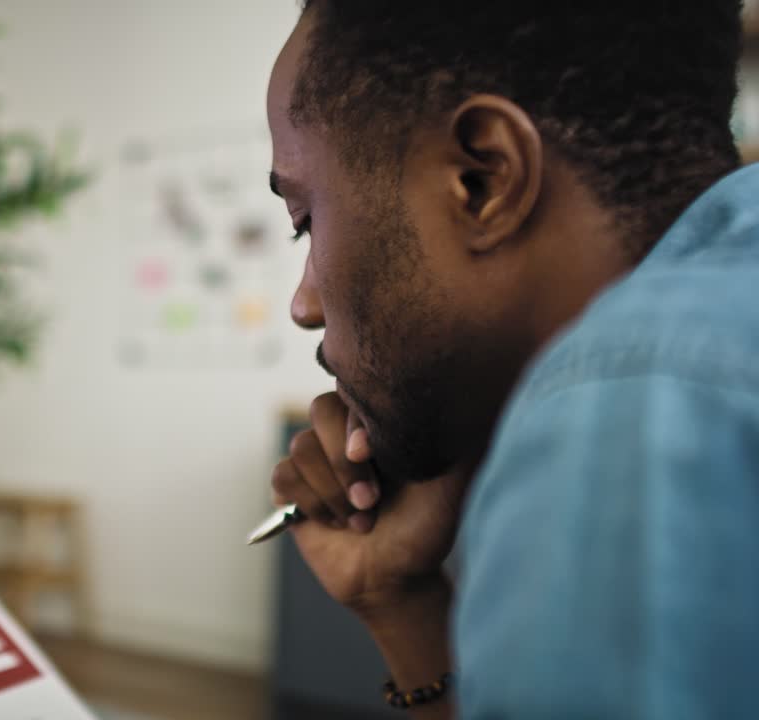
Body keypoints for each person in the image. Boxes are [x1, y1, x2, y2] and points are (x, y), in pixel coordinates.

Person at [266, 2, 757, 717]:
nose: (304, 304)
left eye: (305, 221)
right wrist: (400, 605)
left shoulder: (637, 399)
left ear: (482, 178)